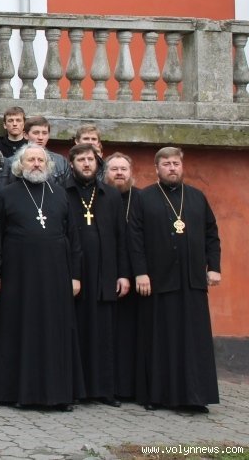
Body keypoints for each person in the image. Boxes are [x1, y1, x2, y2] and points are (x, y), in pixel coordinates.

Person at [0, 143, 83, 410]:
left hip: (56, 276)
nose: (36, 164)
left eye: (40, 160)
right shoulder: (6, 195)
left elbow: (73, 237)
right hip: (19, 277)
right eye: (30, 160)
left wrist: (75, 276)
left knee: (55, 332)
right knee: (21, 330)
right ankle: (19, 392)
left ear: (48, 165)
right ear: (20, 165)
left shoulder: (60, 194)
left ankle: (58, 394)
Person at [131, 147, 220, 412]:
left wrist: (214, 267)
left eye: (176, 164)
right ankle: (158, 396)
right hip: (159, 281)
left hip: (192, 281)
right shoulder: (144, 198)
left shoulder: (197, 196)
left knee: (194, 341)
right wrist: (140, 272)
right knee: (162, 340)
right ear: (157, 168)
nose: (172, 168)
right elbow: (134, 238)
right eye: (167, 164)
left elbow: (211, 234)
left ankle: (195, 396)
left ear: (182, 166)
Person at [65, 143, 129, 406]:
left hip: (104, 272)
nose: (86, 164)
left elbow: (121, 238)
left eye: (90, 159)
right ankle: (75, 389)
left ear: (97, 163)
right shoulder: (62, 192)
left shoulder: (110, 195)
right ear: (72, 164)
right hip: (75, 273)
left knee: (103, 332)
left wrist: (123, 274)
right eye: (81, 160)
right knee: (76, 330)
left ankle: (104, 390)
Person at [104, 151, 139, 401]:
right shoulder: (99, 198)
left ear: (131, 173)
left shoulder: (142, 199)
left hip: (137, 277)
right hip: (107, 275)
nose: (119, 173)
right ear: (105, 173)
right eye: (114, 169)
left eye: (123, 169)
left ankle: (131, 387)